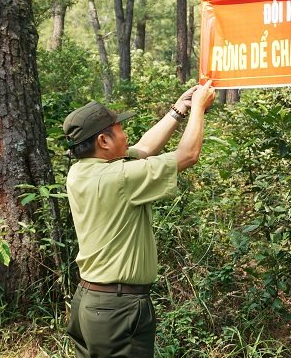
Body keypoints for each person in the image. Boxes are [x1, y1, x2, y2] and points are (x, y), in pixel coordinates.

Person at [63, 81, 215, 358]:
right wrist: (200, 110)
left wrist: (179, 109)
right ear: (103, 141)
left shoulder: (81, 171)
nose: (126, 135)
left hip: (89, 301)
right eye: (120, 129)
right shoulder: (118, 177)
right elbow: (188, 155)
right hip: (118, 309)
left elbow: (145, 147)